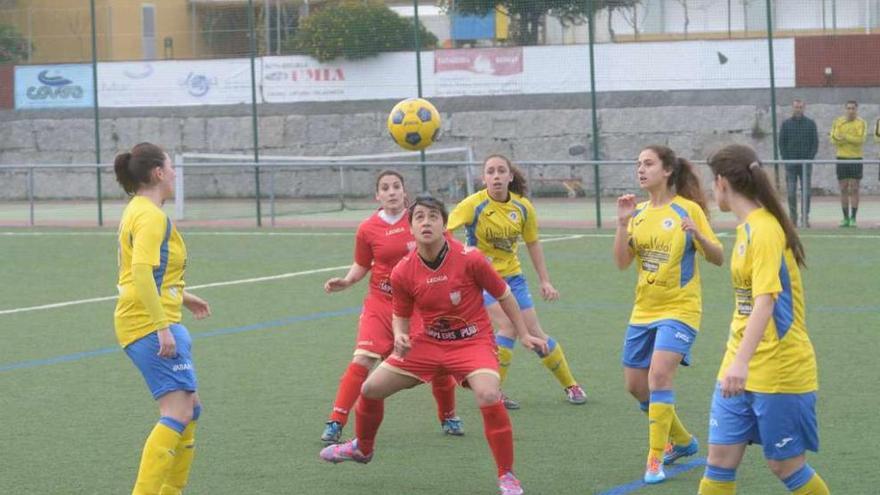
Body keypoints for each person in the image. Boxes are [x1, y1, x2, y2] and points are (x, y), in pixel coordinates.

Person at [320, 194, 548, 495]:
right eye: (419, 218)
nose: (426, 222)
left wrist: (523, 333)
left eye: (433, 216)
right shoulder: (403, 270)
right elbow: (401, 314)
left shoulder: (470, 258)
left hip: (472, 343)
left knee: (489, 393)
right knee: (370, 389)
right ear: (410, 228)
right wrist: (401, 335)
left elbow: (504, 294)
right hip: (427, 344)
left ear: (444, 225)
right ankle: (363, 448)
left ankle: (507, 476)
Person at [698, 144, 828, 495]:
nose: (713, 190)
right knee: (720, 460)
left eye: (713, 182)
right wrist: (736, 361)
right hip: (738, 363)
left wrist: (740, 363)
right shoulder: (746, 229)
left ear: (722, 182)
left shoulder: (765, 230)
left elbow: (765, 303)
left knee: (785, 465)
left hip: (778, 368)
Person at [320, 170, 460, 444]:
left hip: (418, 307)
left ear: (404, 192)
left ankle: (449, 415)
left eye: (396, 186)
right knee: (362, 359)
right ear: (378, 195)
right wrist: (347, 281)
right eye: (385, 188)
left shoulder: (421, 220)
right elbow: (362, 264)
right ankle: (336, 421)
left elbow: (450, 252)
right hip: (380, 305)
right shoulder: (368, 228)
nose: (392, 192)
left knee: (439, 364)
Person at [613, 145, 724, 484]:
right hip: (643, 310)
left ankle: (655, 460)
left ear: (667, 171)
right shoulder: (640, 213)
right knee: (635, 386)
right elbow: (621, 262)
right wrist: (621, 224)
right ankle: (684, 441)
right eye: (638, 164)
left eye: (648, 163)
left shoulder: (687, 210)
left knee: (659, 377)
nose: (641, 169)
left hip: (680, 309)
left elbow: (718, 256)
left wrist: (699, 235)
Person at [447, 154, 587, 410]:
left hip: (513, 278)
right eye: (491, 171)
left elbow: (533, 243)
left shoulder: (522, 207)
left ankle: (571, 385)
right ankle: (495, 392)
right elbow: (444, 233)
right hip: (481, 279)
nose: (496, 176)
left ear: (510, 176)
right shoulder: (473, 205)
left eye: (502, 171)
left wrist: (545, 281)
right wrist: (461, 259)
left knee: (535, 333)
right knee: (508, 327)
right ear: (483, 178)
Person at [113, 142, 212, 495]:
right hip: (148, 325)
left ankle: (171, 490)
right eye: (171, 168)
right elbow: (140, 273)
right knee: (178, 412)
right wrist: (161, 327)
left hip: (151, 318)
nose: (174, 174)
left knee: (191, 409)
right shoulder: (151, 216)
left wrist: (182, 297)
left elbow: (145, 273)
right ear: (157, 173)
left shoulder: (138, 209)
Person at [778, 99, 818, 227]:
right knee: (791, 192)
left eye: (800, 107)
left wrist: (809, 159)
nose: (798, 109)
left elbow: (815, 143)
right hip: (791, 164)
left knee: (806, 192)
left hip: (806, 164)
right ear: (792, 108)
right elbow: (781, 143)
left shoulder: (810, 124)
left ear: (804, 108)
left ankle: (805, 218)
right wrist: (786, 158)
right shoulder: (786, 124)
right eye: (796, 107)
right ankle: (793, 217)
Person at [830, 101, 867, 227]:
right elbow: (833, 139)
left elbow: (860, 140)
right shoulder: (838, 122)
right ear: (845, 109)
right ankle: (845, 218)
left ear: (857, 110)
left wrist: (845, 137)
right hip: (841, 158)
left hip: (856, 158)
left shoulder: (861, 122)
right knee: (843, 188)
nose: (851, 111)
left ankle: (853, 218)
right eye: (848, 108)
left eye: (853, 108)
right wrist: (843, 139)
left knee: (855, 188)